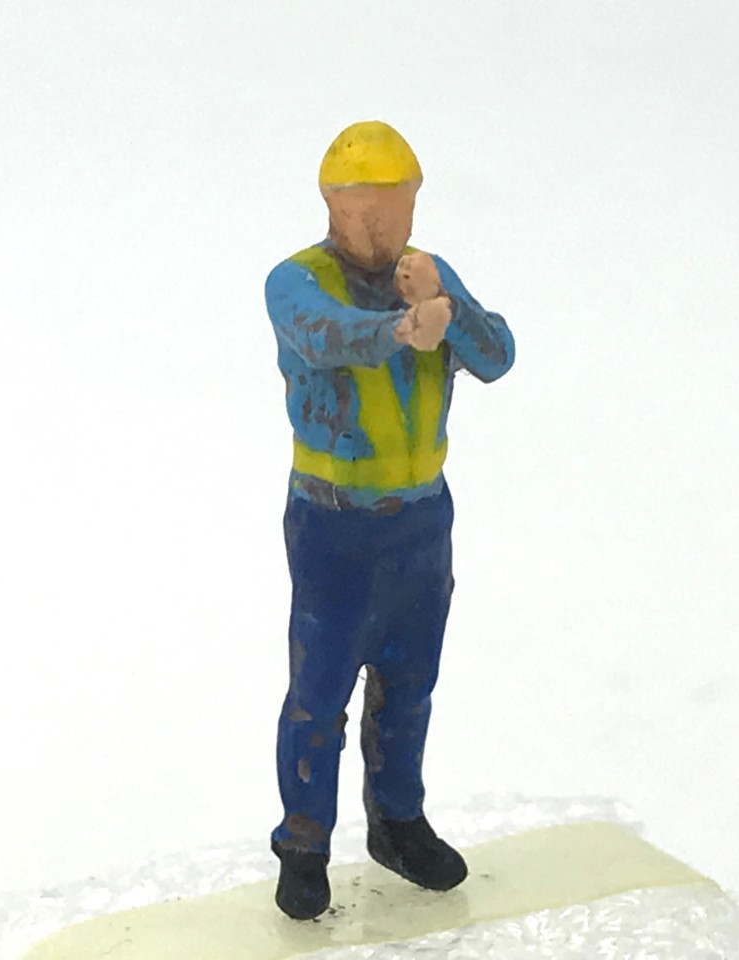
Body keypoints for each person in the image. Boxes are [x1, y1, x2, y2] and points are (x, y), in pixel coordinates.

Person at [264, 120, 515, 920]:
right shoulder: (295, 281)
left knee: (410, 683)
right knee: (320, 690)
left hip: (421, 519)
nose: (380, 227)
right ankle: (303, 844)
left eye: (396, 208)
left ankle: (398, 822)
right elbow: (327, 338)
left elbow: (496, 355)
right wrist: (407, 327)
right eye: (363, 210)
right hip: (333, 524)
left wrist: (448, 306)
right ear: (331, 206)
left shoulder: (427, 275)